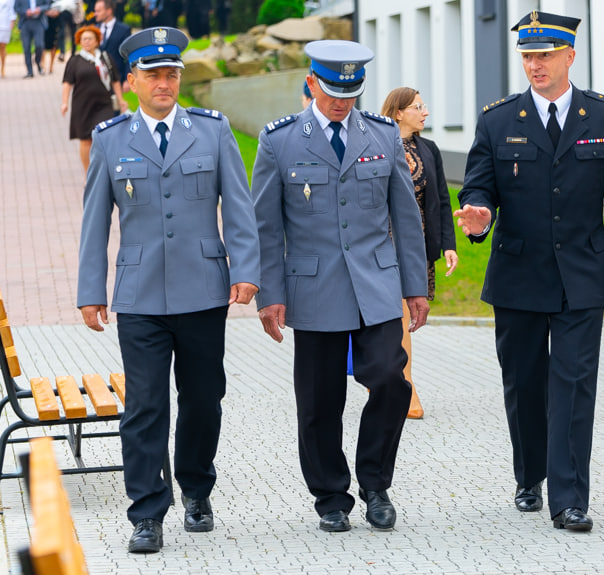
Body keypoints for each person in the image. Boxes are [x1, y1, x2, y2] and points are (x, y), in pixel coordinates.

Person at [454, 10, 604, 532]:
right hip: (518, 276)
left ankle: (570, 498)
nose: (535, 65)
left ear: (570, 57)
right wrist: (478, 215)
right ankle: (529, 473)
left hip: (582, 274)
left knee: (575, 385)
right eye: (528, 56)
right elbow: (478, 187)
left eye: (545, 55)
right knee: (525, 382)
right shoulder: (497, 120)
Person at [77, 26, 260, 553]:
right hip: (139, 297)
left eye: (172, 74)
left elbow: (239, 207)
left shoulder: (212, 130)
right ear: (131, 80)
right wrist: (91, 290)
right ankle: (147, 512)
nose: (164, 82)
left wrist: (246, 269)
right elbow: (95, 223)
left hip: (204, 290)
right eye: (153, 75)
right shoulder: (112, 138)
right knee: (145, 405)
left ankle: (197, 490)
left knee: (204, 399)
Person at [252, 39, 429, 533]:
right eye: (332, 90)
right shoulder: (280, 140)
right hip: (312, 289)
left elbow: (405, 217)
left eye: (351, 92)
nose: (342, 101)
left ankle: (375, 483)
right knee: (318, 403)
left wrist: (416, 287)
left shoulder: (381, 135)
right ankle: (331, 495)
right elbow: (266, 225)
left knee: (392, 381)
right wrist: (271, 294)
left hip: (375, 284)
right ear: (311, 82)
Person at [380, 87, 459, 419]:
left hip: (417, 245)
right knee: (392, 317)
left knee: (402, 317)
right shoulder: (378, 144)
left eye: (424, 106)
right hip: (383, 243)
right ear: (398, 112)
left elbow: (441, 198)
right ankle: (402, 386)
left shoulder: (429, 149)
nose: (424, 112)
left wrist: (449, 245)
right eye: (417, 107)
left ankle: (389, 380)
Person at [60, 25, 127, 172]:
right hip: (82, 106)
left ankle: (105, 172)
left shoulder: (105, 58)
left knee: (104, 137)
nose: (87, 42)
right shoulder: (75, 60)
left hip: (104, 105)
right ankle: (88, 174)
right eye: (83, 39)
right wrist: (64, 102)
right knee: (85, 140)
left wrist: (121, 100)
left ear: (97, 41)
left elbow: (115, 80)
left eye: (90, 39)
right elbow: (67, 82)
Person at [94, 0, 130, 92]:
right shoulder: (94, 29)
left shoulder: (124, 30)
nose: (95, 14)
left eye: (98, 11)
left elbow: (129, 56)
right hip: (96, 80)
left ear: (109, 11)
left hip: (117, 79)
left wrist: (127, 79)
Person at [13, 0, 50, 78]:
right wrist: (25, 11)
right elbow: (16, 8)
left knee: (39, 45)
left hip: (38, 22)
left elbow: (48, 5)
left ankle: (37, 61)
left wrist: (39, 9)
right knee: (26, 47)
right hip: (25, 23)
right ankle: (30, 71)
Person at [0, 0, 15, 78]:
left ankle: (2, 68)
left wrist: (12, 21)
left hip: (4, 24)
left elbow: (12, 9)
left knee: (2, 47)